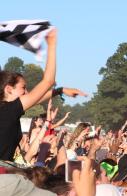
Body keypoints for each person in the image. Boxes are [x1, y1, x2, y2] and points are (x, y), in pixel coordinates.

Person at [0, 29, 87, 161]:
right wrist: (51, 45)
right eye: (23, 88)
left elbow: (37, 99)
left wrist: (60, 91)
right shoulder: (9, 110)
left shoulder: (6, 110)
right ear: (9, 89)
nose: (27, 92)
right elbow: (48, 81)